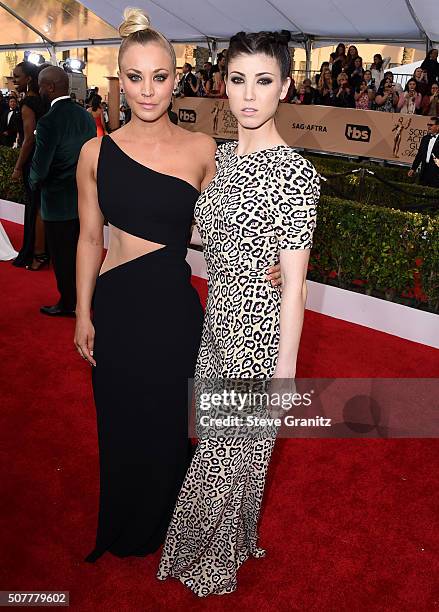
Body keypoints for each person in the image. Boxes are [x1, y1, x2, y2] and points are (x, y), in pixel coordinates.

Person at [75, 8, 283, 564]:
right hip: (117, 307)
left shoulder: (202, 150)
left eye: (160, 76)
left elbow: (224, 227)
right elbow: (88, 238)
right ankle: (125, 524)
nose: (148, 90)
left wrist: (272, 261)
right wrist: (82, 312)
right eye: (136, 77)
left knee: (170, 421)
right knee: (119, 421)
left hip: (174, 310)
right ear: (121, 79)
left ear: (176, 78)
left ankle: (172, 522)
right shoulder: (95, 153)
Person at [158, 29, 319, 597]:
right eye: (238, 79)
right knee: (226, 451)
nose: (249, 95)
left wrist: (287, 369)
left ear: (285, 88)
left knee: (227, 458)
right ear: (223, 84)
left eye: (264, 81)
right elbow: (209, 236)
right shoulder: (220, 159)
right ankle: (235, 537)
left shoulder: (295, 173)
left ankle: (210, 558)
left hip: (259, 333)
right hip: (217, 323)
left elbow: (295, 286)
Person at [29, 66, 96, 316]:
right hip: (85, 198)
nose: (38, 89)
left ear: (49, 87)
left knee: (62, 255)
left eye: (39, 84)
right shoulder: (85, 116)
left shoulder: (48, 121)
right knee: (85, 252)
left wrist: (33, 182)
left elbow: (40, 167)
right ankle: (88, 298)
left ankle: (69, 303)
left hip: (58, 200)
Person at [11, 61, 47, 269]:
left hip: (31, 161)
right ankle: (42, 252)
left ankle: (35, 253)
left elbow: (28, 139)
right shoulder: (44, 101)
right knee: (41, 205)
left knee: (35, 206)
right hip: (44, 158)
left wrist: (17, 167)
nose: (14, 80)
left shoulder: (27, 105)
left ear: (29, 79)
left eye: (17, 76)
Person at [408, 116, 439, 187]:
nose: (429, 127)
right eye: (428, 125)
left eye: (431, 125)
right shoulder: (425, 138)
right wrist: (413, 168)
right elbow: (420, 155)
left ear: (437, 127)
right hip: (424, 169)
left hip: (436, 172)